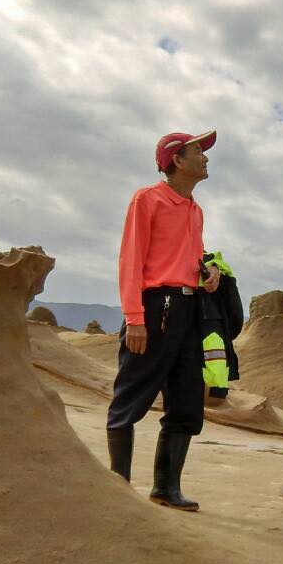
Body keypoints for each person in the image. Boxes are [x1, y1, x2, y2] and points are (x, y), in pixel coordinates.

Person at [105, 131, 222, 512]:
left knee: (187, 402)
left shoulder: (195, 210)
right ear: (176, 160)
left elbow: (184, 256)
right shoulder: (147, 199)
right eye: (197, 152)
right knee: (130, 399)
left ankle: (165, 489)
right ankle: (117, 487)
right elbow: (131, 260)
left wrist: (205, 272)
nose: (205, 158)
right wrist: (134, 317)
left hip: (189, 311)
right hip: (156, 309)